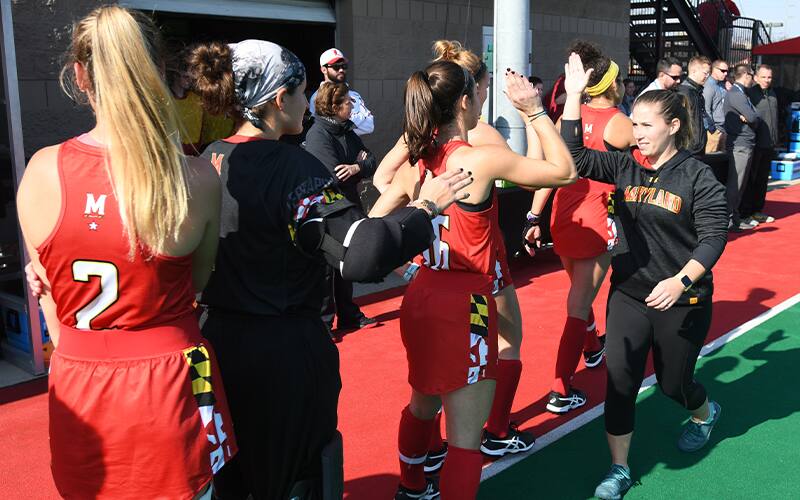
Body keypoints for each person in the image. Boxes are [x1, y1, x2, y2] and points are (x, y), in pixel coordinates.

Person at [187, 39, 473, 499]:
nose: (309, 103)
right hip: (281, 355)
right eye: (302, 93)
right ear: (280, 99)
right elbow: (361, 254)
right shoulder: (292, 166)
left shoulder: (208, 159)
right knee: (298, 478)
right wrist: (425, 208)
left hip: (214, 345)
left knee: (230, 480)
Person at [16, 6, 236, 499]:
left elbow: (51, 306)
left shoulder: (42, 169)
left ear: (79, 76)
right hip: (172, 386)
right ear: (157, 70)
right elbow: (196, 283)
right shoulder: (196, 177)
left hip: (78, 383)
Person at [373, 60, 576, 499]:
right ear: (464, 102)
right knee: (465, 439)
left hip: (422, 294)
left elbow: (373, 225)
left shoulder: (415, 160)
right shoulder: (479, 159)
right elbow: (564, 171)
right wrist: (534, 111)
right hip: (468, 303)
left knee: (422, 403)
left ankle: (411, 486)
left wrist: (407, 265)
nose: (482, 99)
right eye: (478, 93)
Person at [560, 53, 728, 500]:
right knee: (620, 382)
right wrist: (573, 97)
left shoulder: (697, 176)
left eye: (646, 126)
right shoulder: (624, 165)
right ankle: (619, 469)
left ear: (673, 126)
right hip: (629, 295)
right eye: (633, 124)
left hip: (682, 298)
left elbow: (714, 237)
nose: (637, 133)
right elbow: (574, 157)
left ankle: (705, 412)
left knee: (674, 385)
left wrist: (680, 281)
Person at [525, 41, 635, 414]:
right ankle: (560, 389)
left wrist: (533, 215)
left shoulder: (567, 118)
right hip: (596, 219)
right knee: (579, 303)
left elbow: (551, 173)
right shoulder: (620, 124)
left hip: (564, 216)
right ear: (611, 85)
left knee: (578, 293)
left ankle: (591, 348)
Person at [304, 81, 378, 333]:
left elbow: (371, 161)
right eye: (348, 102)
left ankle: (349, 315)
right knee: (327, 267)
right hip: (328, 211)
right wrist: (357, 167)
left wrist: (357, 167)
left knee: (347, 261)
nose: (352, 106)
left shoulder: (347, 131)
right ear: (334, 107)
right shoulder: (318, 135)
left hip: (348, 206)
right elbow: (332, 176)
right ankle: (324, 323)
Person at [723, 64, 760, 231]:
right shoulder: (736, 94)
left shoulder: (740, 93)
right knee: (736, 184)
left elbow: (755, 116)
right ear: (746, 75)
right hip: (740, 144)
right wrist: (750, 118)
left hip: (744, 143)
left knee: (740, 184)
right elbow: (753, 117)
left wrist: (751, 117)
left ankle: (735, 218)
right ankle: (729, 220)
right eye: (752, 75)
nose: (753, 79)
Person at [742, 64, 779, 224]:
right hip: (755, 144)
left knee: (763, 180)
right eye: (763, 77)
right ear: (756, 77)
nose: (767, 80)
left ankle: (757, 211)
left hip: (769, 144)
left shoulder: (773, 93)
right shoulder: (750, 94)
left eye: (769, 77)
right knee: (751, 180)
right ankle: (745, 213)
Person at [310, 48, 374, 136]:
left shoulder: (354, 95)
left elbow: (369, 126)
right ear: (324, 70)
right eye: (336, 67)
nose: (341, 70)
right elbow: (327, 129)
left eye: (343, 66)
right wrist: (361, 117)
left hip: (352, 144)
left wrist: (343, 120)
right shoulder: (317, 97)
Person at [676, 55, 711, 156]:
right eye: (705, 73)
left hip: (697, 146)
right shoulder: (685, 92)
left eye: (709, 73)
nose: (707, 76)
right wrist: (694, 144)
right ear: (694, 71)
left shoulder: (696, 91)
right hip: (690, 149)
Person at [703, 59, 729, 153]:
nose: (726, 73)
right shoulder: (709, 85)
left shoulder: (721, 85)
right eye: (723, 71)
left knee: (720, 158)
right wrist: (712, 129)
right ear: (714, 69)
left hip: (722, 128)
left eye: (727, 71)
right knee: (711, 158)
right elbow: (706, 109)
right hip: (714, 130)